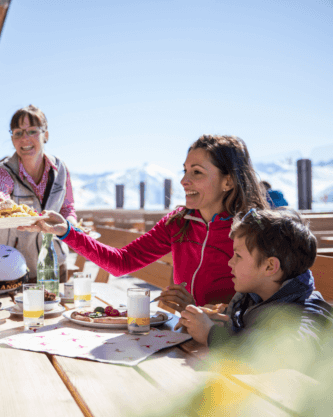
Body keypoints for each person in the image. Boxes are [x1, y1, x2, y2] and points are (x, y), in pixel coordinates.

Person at [21, 135, 268, 310]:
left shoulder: (252, 232)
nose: (184, 181)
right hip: (183, 335)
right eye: (184, 171)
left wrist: (199, 310)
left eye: (197, 172)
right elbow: (122, 262)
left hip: (226, 346)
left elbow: (261, 307)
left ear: (228, 182)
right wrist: (66, 231)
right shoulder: (178, 223)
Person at [178, 208, 333, 374]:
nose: (230, 262)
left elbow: (285, 352)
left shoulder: (308, 313)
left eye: (238, 255)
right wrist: (220, 323)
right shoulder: (253, 298)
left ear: (269, 266)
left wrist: (213, 335)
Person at [0, 105, 77, 282]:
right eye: (18, 133)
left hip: (54, 263)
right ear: (12, 139)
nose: (25, 138)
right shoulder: (3, 172)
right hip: (15, 268)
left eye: (32, 131)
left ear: (46, 135)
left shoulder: (61, 169)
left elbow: (67, 207)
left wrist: (73, 226)